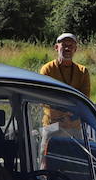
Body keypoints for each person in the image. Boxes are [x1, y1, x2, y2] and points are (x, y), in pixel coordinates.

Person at [38, 33, 92, 172]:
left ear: (75, 49)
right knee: (46, 165)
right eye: (64, 45)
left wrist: (70, 115)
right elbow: (45, 99)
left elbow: (84, 99)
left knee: (78, 166)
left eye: (70, 45)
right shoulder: (47, 69)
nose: (67, 48)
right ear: (56, 47)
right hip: (52, 126)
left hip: (75, 126)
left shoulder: (83, 71)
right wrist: (65, 113)